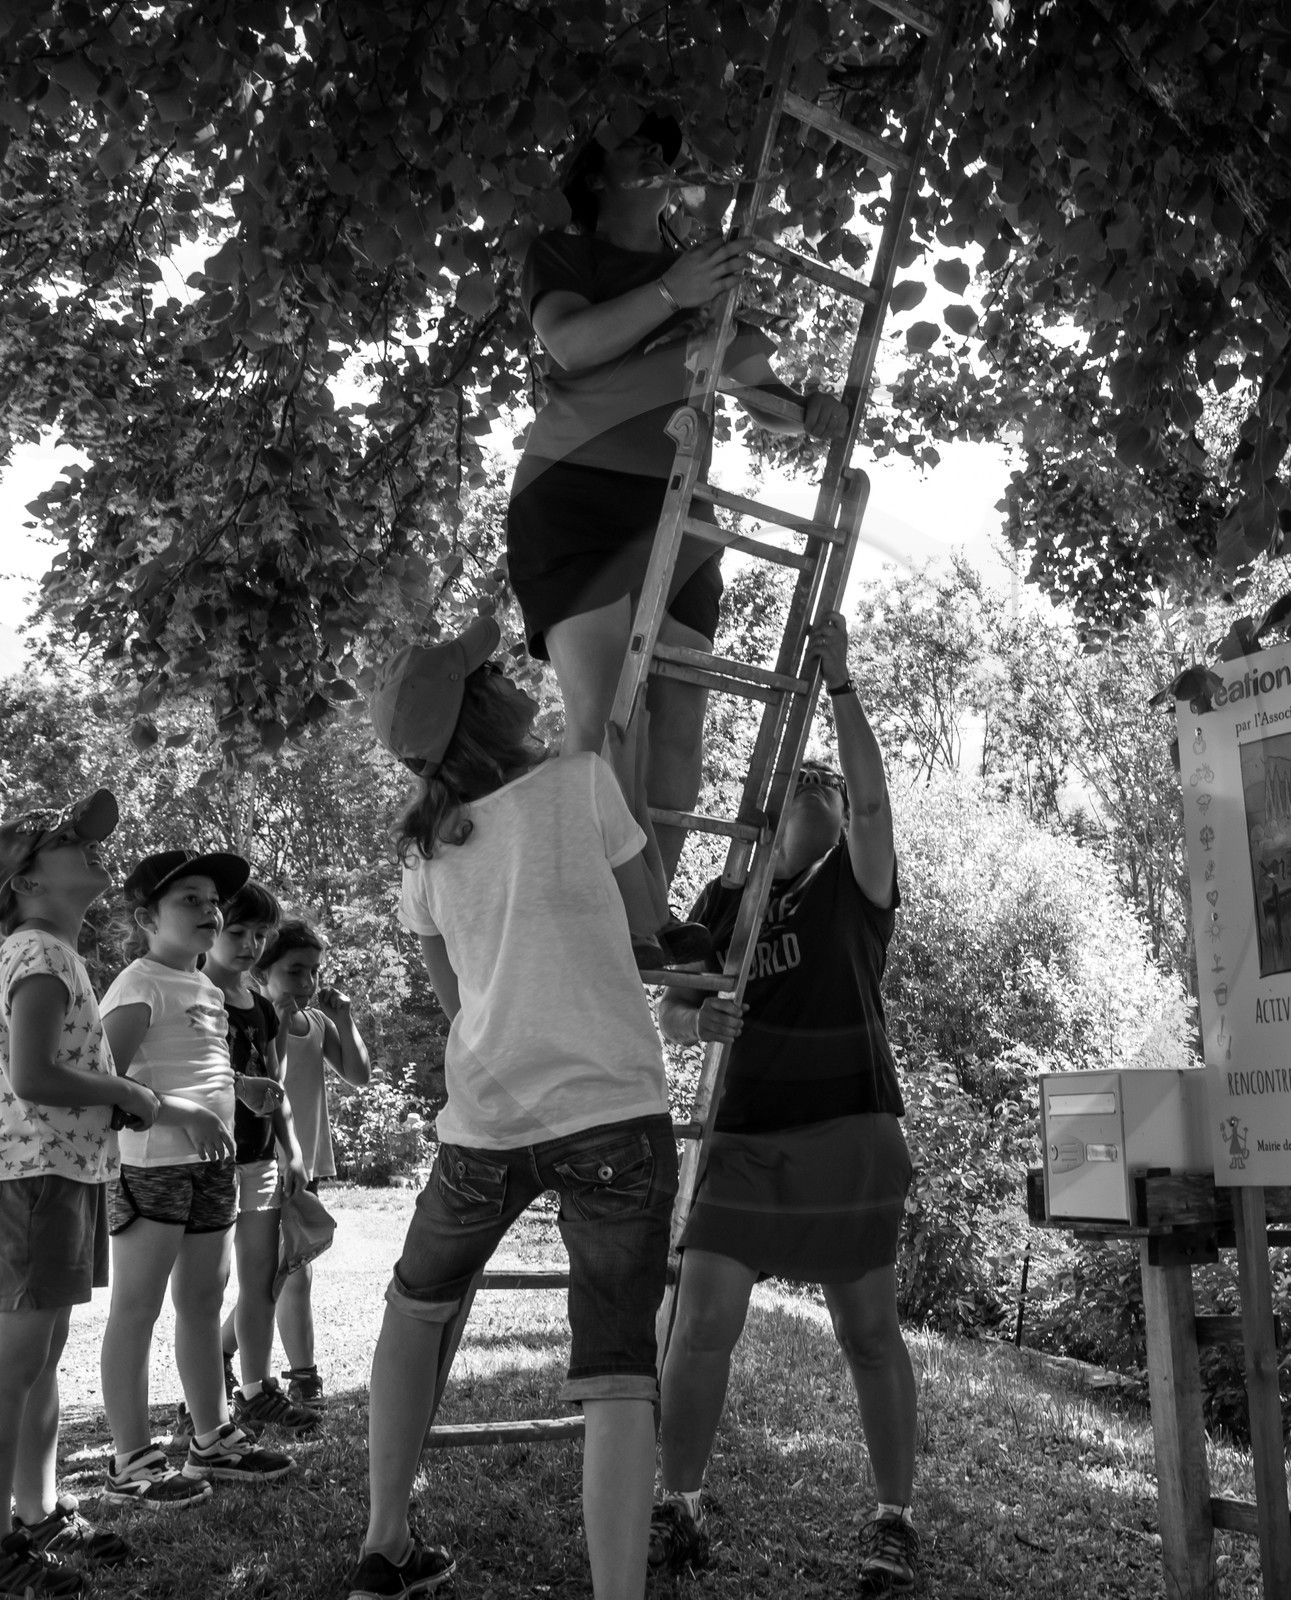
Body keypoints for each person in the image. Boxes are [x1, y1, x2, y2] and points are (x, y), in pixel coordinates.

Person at [351, 617, 679, 1600]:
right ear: (487, 707)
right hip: (613, 1111)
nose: (504, 672)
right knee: (618, 1366)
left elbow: (456, 1001)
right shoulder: (582, 784)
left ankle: (385, 1541)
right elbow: (651, 918)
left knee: (415, 1308)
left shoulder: (425, 851)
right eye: (488, 671)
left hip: (485, 1123)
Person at [508, 108, 850, 889]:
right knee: (603, 718)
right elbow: (569, 342)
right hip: (576, 495)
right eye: (635, 140)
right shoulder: (567, 251)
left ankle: (649, 916)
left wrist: (810, 412)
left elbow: (758, 388)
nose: (657, 153)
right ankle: (592, 912)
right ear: (593, 174)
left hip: (679, 509)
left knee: (680, 727)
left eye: (667, 144)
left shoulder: (699, 271)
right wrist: (671, 290)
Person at [651, 612, 922, 1594]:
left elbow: (880, 800)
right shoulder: (729, 903)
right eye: (799, 784)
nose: (817, 793)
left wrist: (842, 685)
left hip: (848, 1134)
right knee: (700, 1324)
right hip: (746, 1141)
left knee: (866, 1334)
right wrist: (696, 1023)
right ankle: (676, 1505)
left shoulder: (856, 885)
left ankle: (893, 1518)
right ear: (768, 809)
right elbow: (679, 1008)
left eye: (829, 788)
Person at [99, 849, 294, 1506]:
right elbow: (106, 1086)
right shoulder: (138, 984)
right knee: (137, 1309)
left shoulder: (205, 987)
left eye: (214, 900)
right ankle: (131, 1462)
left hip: (210, 1171)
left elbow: (190, 1067)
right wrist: (186, 1113)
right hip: (152, 1170)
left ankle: (211, 1440)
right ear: (145, 918)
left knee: (204, 1304)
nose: (210, 909)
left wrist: (240, 1088)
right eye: (190, 899)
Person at [0, 790, 155, 1595]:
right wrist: (124, 1093)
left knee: (42, 1356)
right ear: (26, 884)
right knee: (16, 1360)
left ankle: (39, 1512)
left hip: (58, 1172)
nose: (90, 849)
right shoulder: (40, 953)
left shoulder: (47, 953)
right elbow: (32, 1076)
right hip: (38, 1176)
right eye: (66, 841)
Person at [202, 883, 319, 1436]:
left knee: (260, 1280)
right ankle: (201, 1405)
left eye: (260, 935)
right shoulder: (193, 993)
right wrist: (238, 1084)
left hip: (260, 1162)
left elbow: (276, 1090)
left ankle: (255, 1390)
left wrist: (291, 1152)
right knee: (207, 1288)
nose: (250, 945)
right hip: (206, 1162)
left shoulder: (262, 1009)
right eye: (238, 932)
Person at [251, 918, 372, 1409]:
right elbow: (270, 1077)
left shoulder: (317, 1023)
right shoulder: (257, 1016)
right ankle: (303, 1378)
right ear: (263, 971)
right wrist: (276, 1019)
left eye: (314, 972)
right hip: (270, 1161)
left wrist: (343, 1018)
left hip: (307, 1165)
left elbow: (359, 1075)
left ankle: (226, 1352)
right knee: (289, 1272)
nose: (307, 984)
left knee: (289, 1269)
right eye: (294, 971)